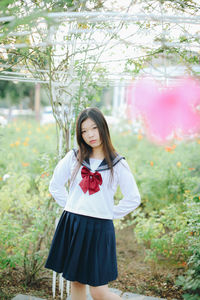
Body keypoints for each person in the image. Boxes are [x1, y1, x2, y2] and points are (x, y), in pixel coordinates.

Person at [45, 107, 141, 300]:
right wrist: (72, 206)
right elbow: (55, 185)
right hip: (74, 224)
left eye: (94, 128)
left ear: (103, 128)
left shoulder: (117, 163)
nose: (90, 135)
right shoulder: (74, 157)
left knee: (99, 291)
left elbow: (133, 198)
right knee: (77, 282)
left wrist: (109, 213)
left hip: (99, 227)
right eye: (84, 131)